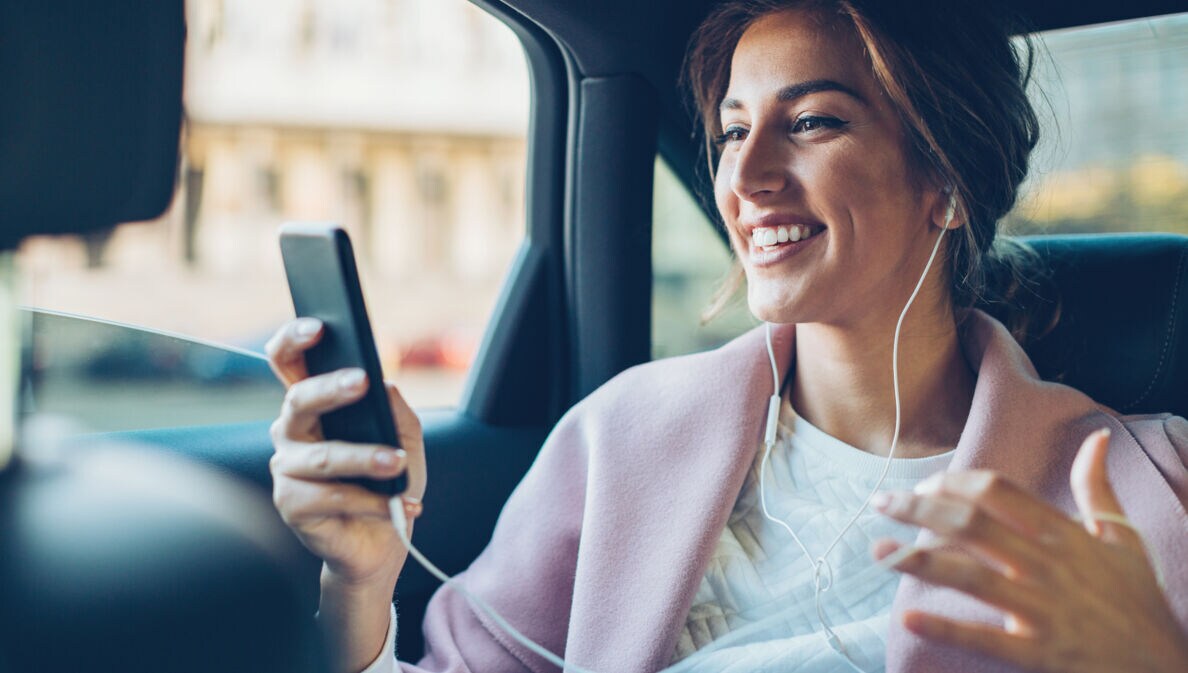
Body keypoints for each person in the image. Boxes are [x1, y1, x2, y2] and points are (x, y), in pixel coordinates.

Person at [265, 1, 1188, 671]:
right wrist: (362, 583)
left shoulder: (1151, 488)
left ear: (946, 179)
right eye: (731, 130)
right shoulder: (621, 435)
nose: (745, 176)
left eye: (813, 122)